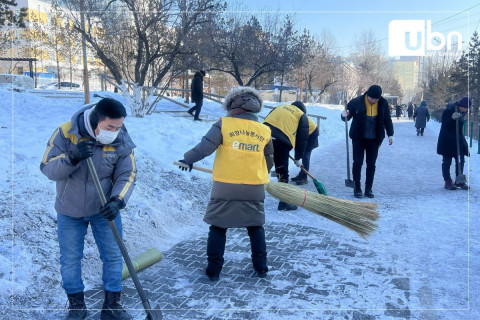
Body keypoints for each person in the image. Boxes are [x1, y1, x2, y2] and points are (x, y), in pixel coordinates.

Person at [40, 98, 136, 320]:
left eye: (118, 127)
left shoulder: (120, 137)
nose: (114, 132)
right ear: (95, 120)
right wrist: (72, 157)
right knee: (70, 259)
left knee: (113, 257)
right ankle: (77, 306)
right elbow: (47, 168)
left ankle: (111, 306)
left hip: (105, 209)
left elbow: (127, 173)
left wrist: (118, 201)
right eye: (109, 127)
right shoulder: (66, 132)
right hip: (69, 210)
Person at [178, 87, 274, 281]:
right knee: (255, 227)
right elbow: (269, 159)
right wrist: (262, 173)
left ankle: (213, 270)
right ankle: (261, 267)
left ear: (231, 105)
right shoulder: (264, 129)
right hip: (254, 187)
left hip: (225, 186)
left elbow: (204, 147)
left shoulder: (224, 125)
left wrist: (187, 159)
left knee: (218, 227)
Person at [341, 85, 394, 198]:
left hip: (374, 139)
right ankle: (357, 188)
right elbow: (347, 116)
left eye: (376, 99)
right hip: (359, 138)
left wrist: (390, 134)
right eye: (371, 98)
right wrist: (344, 114)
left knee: (371, 164)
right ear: (367, 95)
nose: (373, 101)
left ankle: (368, 188)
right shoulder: (356, 101)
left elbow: (387, 119)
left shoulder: (383, 103)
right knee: (358, 162)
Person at [263, 101, 309, 210]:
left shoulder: (279, 107)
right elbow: (302, 140)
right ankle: (283, 202)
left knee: (261, 166)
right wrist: (298, 158)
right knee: (282, 170)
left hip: (263, 136)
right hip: (281, 141)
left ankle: (249, 196)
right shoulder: (301, 115)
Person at [436, 97, 471, 190]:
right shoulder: (449, 110)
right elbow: (445, 125)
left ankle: (459, 180)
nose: (464, 109)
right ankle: (447, 181)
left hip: (457, 140)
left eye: (466, 108)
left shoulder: (462, 113)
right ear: (459, 105)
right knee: (447, 161)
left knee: (460, 160)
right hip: (447, 140)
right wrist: (452, 118)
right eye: (463, 107)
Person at [290, 102, 319, 185]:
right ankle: (301, 174)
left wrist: (297, 157)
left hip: (311, 135)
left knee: (305, 156)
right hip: (305, 134)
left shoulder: (301, 120)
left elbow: (300, 140)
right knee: (302, 155)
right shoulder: (294, 118)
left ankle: (304, 177)